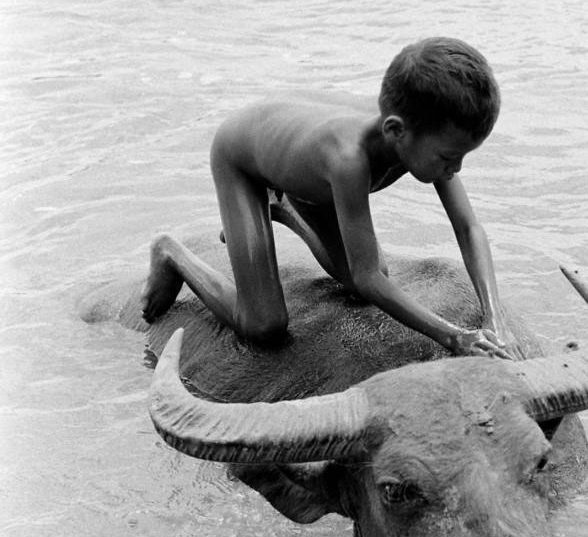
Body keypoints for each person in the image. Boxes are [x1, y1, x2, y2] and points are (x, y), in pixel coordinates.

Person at [141, 36, 522, 358]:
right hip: (241, 156)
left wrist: (494, 317)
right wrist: (454, 336)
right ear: (396, 131)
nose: (456, 168)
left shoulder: (426, 135)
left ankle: (288, 205)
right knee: (264, 325)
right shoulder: (349, 160)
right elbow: (368, 277)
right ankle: (171, 253)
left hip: (301, 158)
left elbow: (468, 228)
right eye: (449, 157)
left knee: (373, 277)